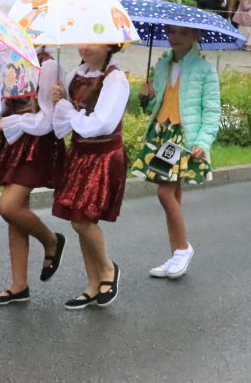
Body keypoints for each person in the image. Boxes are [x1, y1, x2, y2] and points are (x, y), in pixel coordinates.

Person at [133, 25, 221, 279]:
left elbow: (212, 112)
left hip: (183, 138)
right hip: (161, 132)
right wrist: (145, 97)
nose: (175, 38)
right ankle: (176, 254)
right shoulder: (161, 65)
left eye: (183, 33)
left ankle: (183, 249)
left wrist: (202, 144)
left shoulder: (205, 70)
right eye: (171, 32)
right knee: (173, 195)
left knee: (165, 192)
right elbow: (153, 104)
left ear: (196, 37)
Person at [0, 47, 67, 306]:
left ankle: (52, 240)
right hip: (12, 142)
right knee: (17, 213)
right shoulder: (6, 61)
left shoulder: (47, 66)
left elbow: (46, 120)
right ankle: (18, 285)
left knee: (9, 207)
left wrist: (6, 124)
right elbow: (3, 103)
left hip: (36, 143)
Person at [50, 44, 128, 308]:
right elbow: (68, 118)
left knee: (83, 220)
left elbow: (103, 123)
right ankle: (93, 283)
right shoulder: (75, 75)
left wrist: (69, 112)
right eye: (81, 39)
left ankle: (107, 269)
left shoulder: (114, 79)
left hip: (103, 156)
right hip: (80, 154)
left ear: (109, 45)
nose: (84, 46)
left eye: (92, 41)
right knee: (77, 218)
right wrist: (61, 100)